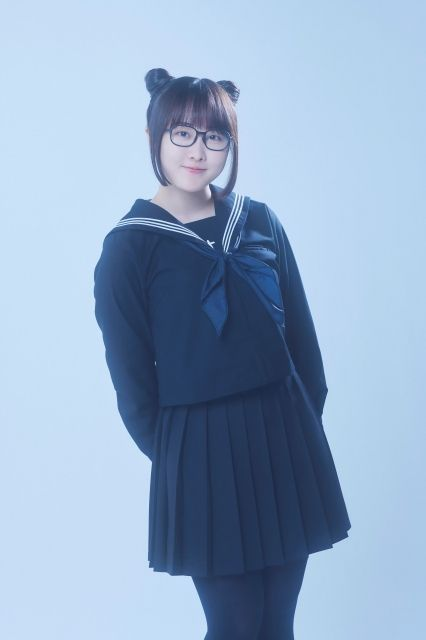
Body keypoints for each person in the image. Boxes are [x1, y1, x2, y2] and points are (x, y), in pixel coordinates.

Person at [93, 67, 351, 639]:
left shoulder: (257, 219)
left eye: (215, 136)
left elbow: (303, 344)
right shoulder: (129, 248)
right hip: (200, 456)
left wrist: (301, 428)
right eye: (182, 133)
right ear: (153, 136)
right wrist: (184, 461)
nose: (198, 151)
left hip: (283, 439)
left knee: (277, 623)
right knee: (234, 624)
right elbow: (134, 388)